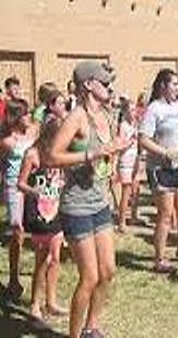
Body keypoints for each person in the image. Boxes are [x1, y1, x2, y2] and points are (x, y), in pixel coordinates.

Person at [47, 61, 131, 338]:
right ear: (87, 85)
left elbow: (106, 154)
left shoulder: (106, 115)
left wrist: (117, 150)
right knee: (90, 277)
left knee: (108, 271)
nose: (109, 85)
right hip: (77, 206)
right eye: (103, 81)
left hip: (100, 202)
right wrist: (92, 154)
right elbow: (52, 156)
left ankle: (91, 327)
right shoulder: (76, 117)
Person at [139, 68, 178, 272]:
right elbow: (143, 139)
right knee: (165, 214)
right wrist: (164, 152)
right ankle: (159, 258)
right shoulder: (154, 109)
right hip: (160, 168)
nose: (177, 88)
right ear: (163, 86)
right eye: (173, 84)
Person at [18, 119, 67, 320]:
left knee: (55, 257)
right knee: (41, 259)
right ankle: (35, 303)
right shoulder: (32, 154)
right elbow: (20, 183)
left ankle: (51, 301)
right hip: (38, 212)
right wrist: (33, 191)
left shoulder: (59, 155)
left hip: (56, 209)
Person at [0, 98, 38, 301]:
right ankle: (13, 279)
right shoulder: (6, 141)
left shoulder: (33, 132)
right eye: (25, 114)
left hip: (31, 185)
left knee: (36, 227)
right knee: (17, 232)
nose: (29, 117)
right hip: (14, 187)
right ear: (16, 117)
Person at [115, 98, 141, 233]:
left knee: (136, 190)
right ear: (125, 111)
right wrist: (131, 140)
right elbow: (120, 145)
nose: (134, 112)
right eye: (131, 109)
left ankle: (134, 216)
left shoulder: (136, 124)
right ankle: (121, 221)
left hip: (136, 159)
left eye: (134, 109)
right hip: (125, 161)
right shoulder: (123, 125)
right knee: (126, 191)